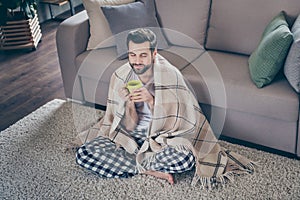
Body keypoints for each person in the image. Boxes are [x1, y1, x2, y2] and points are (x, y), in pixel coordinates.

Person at [74, 28, 255, 188]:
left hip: (161, 140)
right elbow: (127, 128)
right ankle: (148, 171)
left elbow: (178, 123)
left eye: (143, 55)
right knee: (84, 154)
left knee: (186, 159)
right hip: (130, 140)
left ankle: (133, 165)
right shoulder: (122, 76)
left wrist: (152, 101)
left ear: (154, 53)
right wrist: (129, 104)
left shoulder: (169, 76)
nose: (137, 61)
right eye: (132, 55)